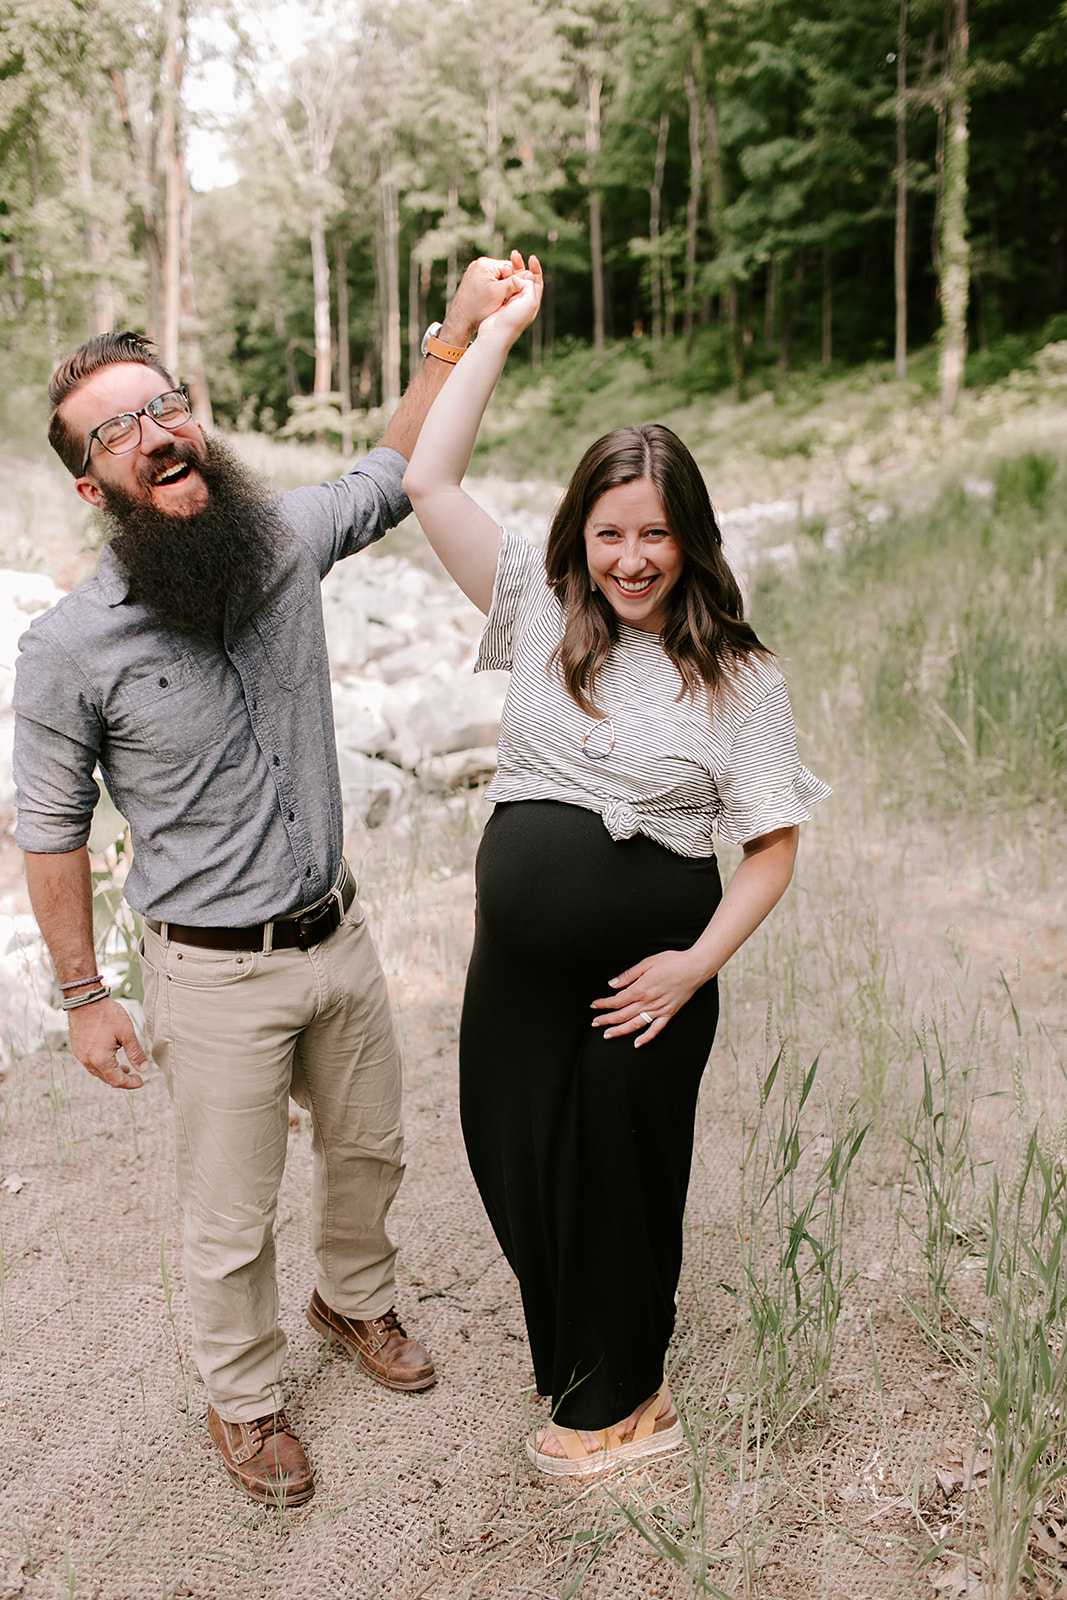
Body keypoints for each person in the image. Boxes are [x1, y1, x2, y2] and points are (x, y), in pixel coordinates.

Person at [12, 255, 522, 1506]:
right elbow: (50, 828)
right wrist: (84, 996)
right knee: (229, 1214)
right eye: (118, 428)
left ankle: (352, 1304)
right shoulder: (71, 644)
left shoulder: (283, 539)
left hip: (336, 936)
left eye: (164, 402)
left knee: (370, 1149)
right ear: (94, 485)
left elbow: (393, 472)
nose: (155, 432)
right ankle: (243, 1398)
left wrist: (456, 333)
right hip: (210, 971)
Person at [402, 255, 830, 1477]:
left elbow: (770, 847)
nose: (631, 558)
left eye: (654, 535)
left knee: (619, 1180)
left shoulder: (739, 675)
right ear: (576, 537)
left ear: (689, 539)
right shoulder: (538, 613)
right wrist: (490, 330)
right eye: (609, 534)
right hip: (520, 973)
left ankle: (615, 1405)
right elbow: (427, 474)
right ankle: (594, 1359)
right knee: (512, 1155)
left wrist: (693, 966)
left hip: (651, 974)